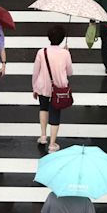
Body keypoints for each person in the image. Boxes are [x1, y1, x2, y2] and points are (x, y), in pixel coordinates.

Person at [32, 25, 73, 153]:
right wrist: (67, 53)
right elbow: (70, 72)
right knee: (55, 113)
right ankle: (52, 144)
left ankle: (43, 136)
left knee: (43, 109)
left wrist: (34, 87)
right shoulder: (65, 53)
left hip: (43, 86)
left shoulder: (41, 52)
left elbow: (36, 72)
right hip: (58, 88)